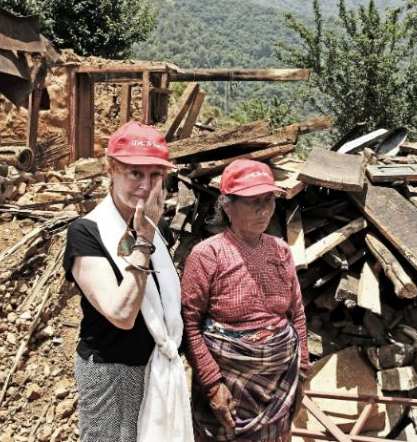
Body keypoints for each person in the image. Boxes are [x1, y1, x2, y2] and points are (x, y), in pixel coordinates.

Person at [63, 121, 193, 441]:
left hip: (155, 367)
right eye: (135, 173)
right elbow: (121, 314)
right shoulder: (87, 232)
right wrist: (143, 241)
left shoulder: (154, 229)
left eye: (154, 175)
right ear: (112, 169)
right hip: (112, 374)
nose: (145, 186)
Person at [181, 159, 309, 441]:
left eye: (268, 199)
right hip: (229, 386)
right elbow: (189, 325)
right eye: (253, 201)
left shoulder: (281, 251)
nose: (264, 209)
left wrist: (301, 373)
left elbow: (296, 314)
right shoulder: (207, 255)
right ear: (227, 205)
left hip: (279, 384)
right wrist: (213, 384)